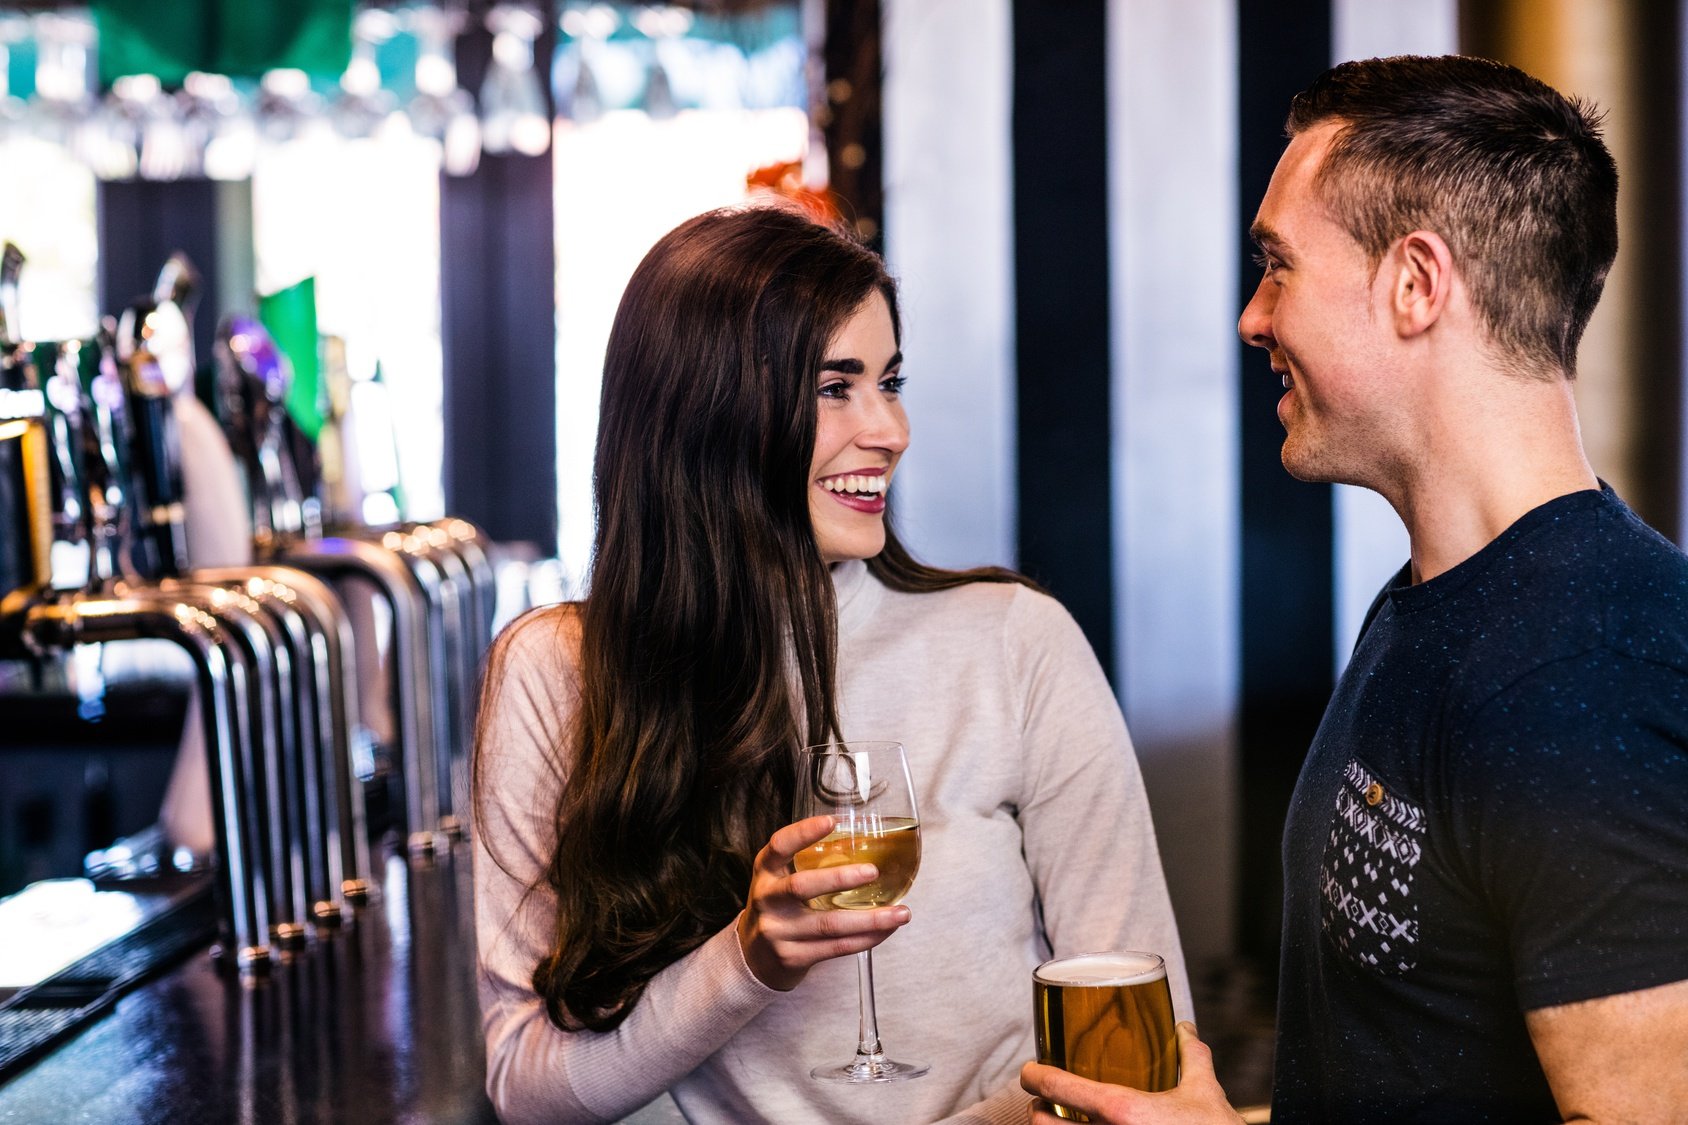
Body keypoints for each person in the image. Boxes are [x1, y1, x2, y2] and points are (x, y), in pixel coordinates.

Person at [1022, 53, 1688, 1124]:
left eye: (1277, 265)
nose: (1251, 316)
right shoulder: (1436, 602)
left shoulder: (1588, 672)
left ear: (1414, 284)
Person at [473, 204, 1191, 1125]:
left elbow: (1135, 1037)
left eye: (889, 381)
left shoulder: (1015, 640)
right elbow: (528, 1088)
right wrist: (746, 961)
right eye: (834, 386)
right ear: (708, 409)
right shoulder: (556, 673)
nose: (889, 429)